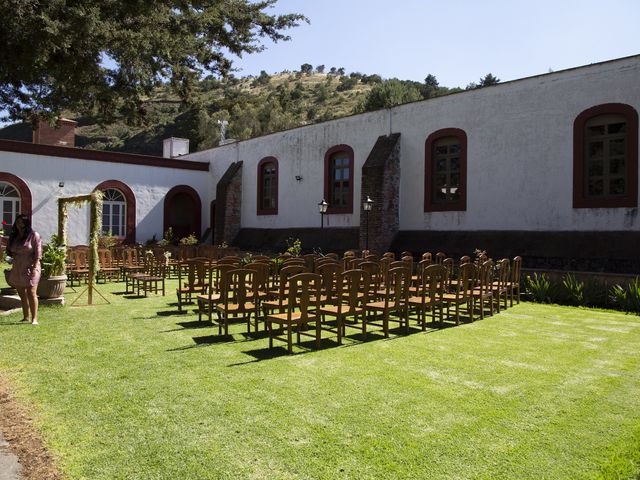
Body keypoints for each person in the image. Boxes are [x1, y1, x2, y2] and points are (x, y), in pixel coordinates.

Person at [6, 214, 42, 325]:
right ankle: (26, 316)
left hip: (31, 266)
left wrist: (35, 266)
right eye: (17, 222)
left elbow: (38, 253)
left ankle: (34, 318)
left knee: (31, 292)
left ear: (26, 223)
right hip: (18, 267)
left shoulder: (33, 235)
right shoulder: (15, 236)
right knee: (21, 293)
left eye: (21, 222)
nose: (19, 225)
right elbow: (10, 251)